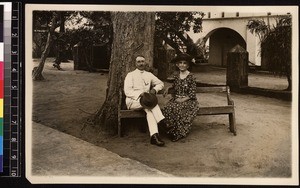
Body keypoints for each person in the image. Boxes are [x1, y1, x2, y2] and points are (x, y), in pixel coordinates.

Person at [124, 55, 165, 146]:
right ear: (135, 63)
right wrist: (140, 94)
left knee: (149, 111)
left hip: (146, 102)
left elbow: (160, 83)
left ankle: (154, 136)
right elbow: (127, 91)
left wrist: (154, 90)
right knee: (151, 105)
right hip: (133, 101)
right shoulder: (130, 75)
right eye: (138, 62)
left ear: (145, 63)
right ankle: (163, 122)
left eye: (142, 61)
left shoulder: (149, 75)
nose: (141, 64)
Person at [162, 53, 199, 142]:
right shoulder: (177, 76)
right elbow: (175, 85)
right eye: (180, 63)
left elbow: (192, 94)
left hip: (189, 101)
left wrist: (182, 100)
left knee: (178, 108)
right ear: (177, 65)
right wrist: (169, 88)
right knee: (167, 108)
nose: (182, 65)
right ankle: (171, 130)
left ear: (188, 65)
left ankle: (180, 133)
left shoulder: (191, 77)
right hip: (177, 99)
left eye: (184, 63)